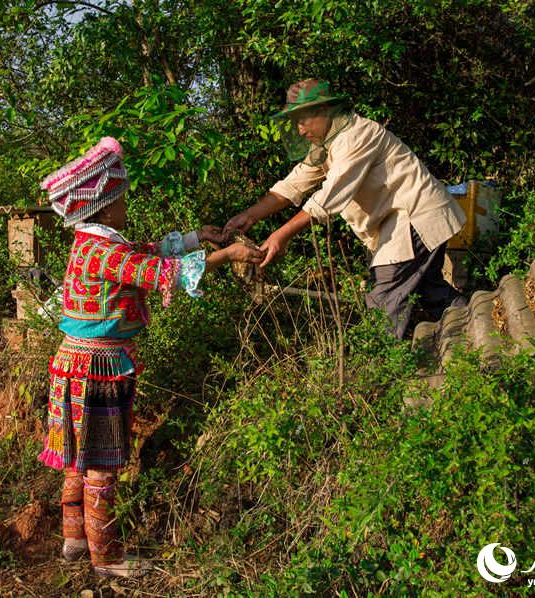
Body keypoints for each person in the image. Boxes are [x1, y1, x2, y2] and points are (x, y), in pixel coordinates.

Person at [37, 136, 263, 577]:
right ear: (103, 207)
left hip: (74, 362)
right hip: (98, 367)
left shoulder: (93, 242)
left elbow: (143, 255)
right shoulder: (103, 249)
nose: (126, 205)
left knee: (77, 455)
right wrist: (227, 254)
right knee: (101, 460)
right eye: (121, 199)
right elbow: (159, 272)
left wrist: (199, 238)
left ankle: (74, 538)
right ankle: (108, 558)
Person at [223, 79, 468, 339]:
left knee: (383, 299)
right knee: (432, 292)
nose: (301, 129)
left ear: (324, 112)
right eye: (296, 122)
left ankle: (381, 371)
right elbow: (292, 185)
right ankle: (471, 331)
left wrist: (281, 235)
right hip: (406, 221)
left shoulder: (358, 137)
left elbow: (329, 198)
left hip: (415, 217)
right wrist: (248, 216)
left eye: (304, 120)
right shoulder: (328, 146)